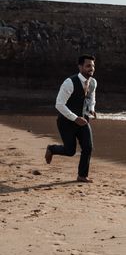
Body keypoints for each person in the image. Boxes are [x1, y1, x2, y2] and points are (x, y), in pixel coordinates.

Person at [45, 54, 98, 182]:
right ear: (80, 67)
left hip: (83, 120)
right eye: (88, 66)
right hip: (66, 122)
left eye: (93, 66)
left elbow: (91, 98)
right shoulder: (69, 82)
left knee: (88, 147)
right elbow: (59, 104)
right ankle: (51, 149)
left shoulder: (93, 82)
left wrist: (91, 108)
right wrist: (75, 118)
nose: (91, 68)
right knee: (70, 151)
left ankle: (82, 175)